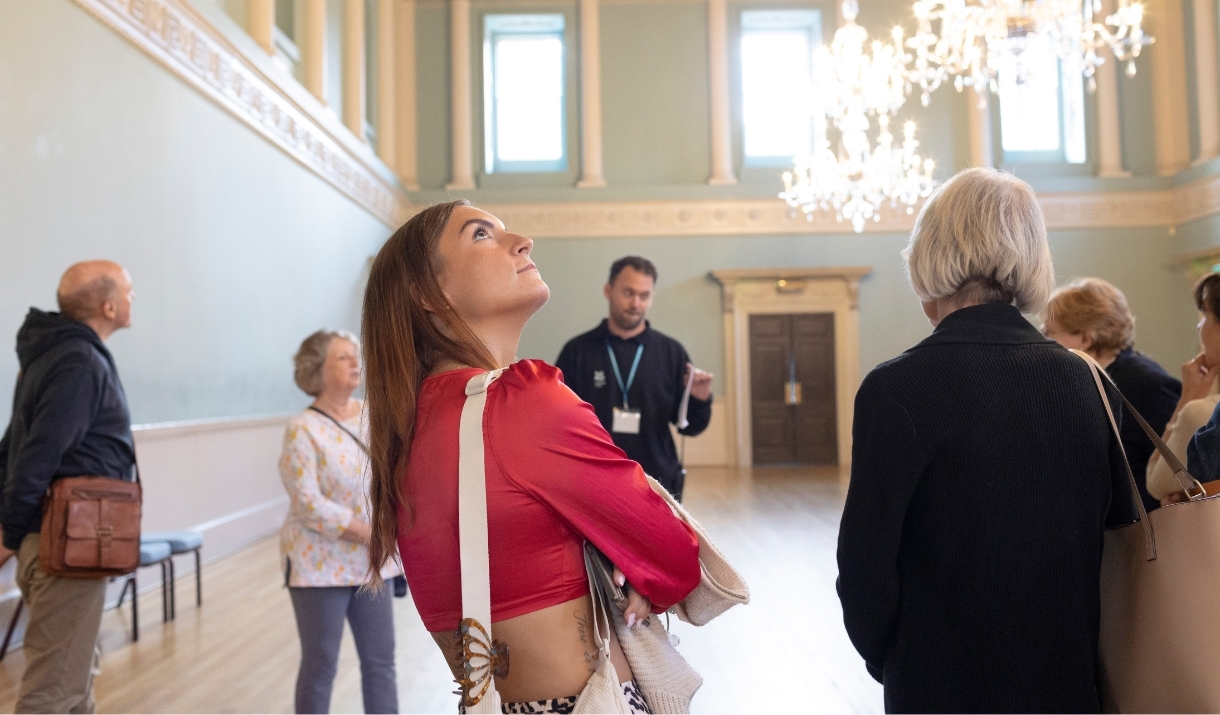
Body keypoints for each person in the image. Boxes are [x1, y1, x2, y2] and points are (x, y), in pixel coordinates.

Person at [360, 201, 701, 713]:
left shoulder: (412, 423)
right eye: (481, 234)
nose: (522, 240)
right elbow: (674, 557)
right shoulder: (522, 400)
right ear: (429, 294)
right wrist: (627, 557)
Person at [836, 168, 1136, 713]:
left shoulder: (897, 388)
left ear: (929, 258)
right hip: (1065, 682)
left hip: (938, 683)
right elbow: (1114, 545)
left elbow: (863, 569)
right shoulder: (1090, 381)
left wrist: (896, 659)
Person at [0, 260, 137, 713]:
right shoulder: (78, 360)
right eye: (129, 292)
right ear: (108, 305)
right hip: (63, 547)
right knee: (53, 693)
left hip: (63, 543)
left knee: (74, 682)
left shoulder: (54, 355)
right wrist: (8, 533)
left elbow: (11, 447)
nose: (134, 300)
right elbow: (34, 458)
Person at [279, 329, 401, 714]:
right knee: (320, 665)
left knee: (381, 664)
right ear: (317, 368)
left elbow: (394, 474)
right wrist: (371, 534)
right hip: (319, 565)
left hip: (370, 563)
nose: (355, 363)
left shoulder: (373, 415)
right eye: (343, 357)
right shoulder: (302, 428)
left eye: (355, 356)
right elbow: (307, 503)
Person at [555, 257, 713, 500]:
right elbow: (561, 421)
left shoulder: (671, 352)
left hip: (658, 482)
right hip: (595, 481)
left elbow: (690, 427)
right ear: (608, 291)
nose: (636, 303)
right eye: (628, 292)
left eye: (644, 295)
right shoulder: (578, 351)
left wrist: (699, 400)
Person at [1043, 277, 1181, 513]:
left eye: (1049, 333)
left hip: (1145, 537)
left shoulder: (1148, 383)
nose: (1043, 343)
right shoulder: (1085, 380)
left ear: (1085, 339)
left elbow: (1177, 473)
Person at [1158, 273, 1220, 494]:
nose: (1199, 326)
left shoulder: (1200, 411)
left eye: (1205, 313)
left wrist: (1188, 398)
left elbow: (1157, 483)